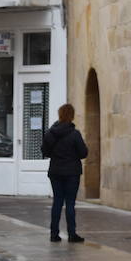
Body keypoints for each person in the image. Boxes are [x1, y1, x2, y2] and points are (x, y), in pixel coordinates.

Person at [41, 103, 89, 243]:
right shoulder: (75, 134)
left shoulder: (50, 133)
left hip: (55, 171)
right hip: (72, 173)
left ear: (60, 115)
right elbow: (83, 153)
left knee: (57, 202)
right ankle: (72, 234)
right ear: (72, 116)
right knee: (70, 203)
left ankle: (54, 234)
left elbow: (45, 151)